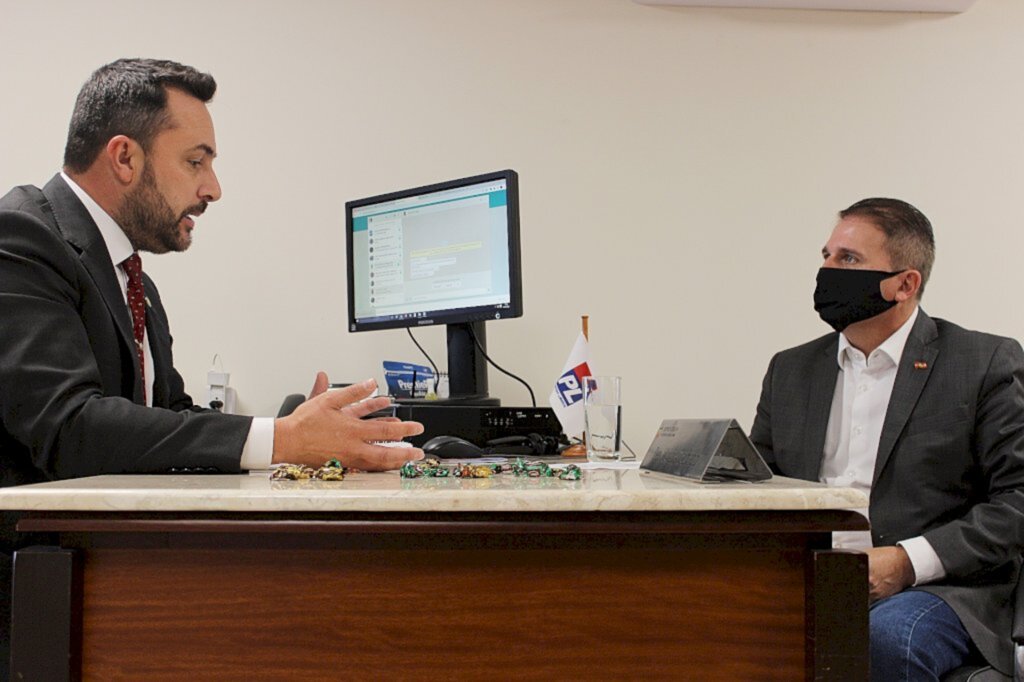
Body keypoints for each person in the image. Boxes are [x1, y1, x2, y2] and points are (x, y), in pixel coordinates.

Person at [0, 58, 425, 661]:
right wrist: (278, 438)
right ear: (125, 157)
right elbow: (70, 428)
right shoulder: (20, 236)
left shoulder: (132, 279)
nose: (213, 188)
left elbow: (167, 414)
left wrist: (298, 439)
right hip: (33, 599)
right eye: (196, 161)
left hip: (108, 583)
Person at [750, 197, 1024, 680]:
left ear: (905, 283)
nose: (827, 270)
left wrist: (904, 562)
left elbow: (1016, 501)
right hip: (809, 573)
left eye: (849, 260)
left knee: (886, 637)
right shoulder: (790, 370)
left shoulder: (983, 363)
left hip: (940, 587)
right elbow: (763, 487)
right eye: (826, 256)